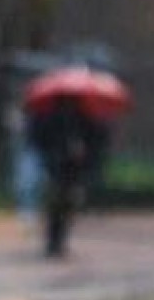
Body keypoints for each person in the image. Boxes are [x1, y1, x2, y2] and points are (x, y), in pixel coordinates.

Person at [29, 96, 108, 258]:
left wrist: (84, 150)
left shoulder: (87, 117)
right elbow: (38, 138)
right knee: (57, 203)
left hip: (74, 169)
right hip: (57, 167)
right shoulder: (50, 117)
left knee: (68, 204)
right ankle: (54, 241)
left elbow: (98, 139)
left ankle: (59, 240)